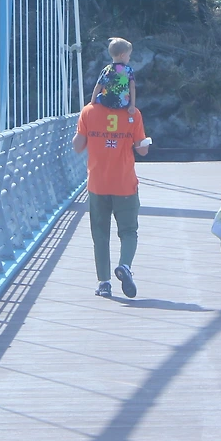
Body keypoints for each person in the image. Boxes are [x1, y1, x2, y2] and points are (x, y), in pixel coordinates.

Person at [73, 100, 150, 298]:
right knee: (128, 231)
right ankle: (124, 265)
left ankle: (104, 283)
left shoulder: (88, 112)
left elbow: (78, 146)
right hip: (125, 184)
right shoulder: (133, 113)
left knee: (100, 234)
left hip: (98, 184)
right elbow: (142, 150)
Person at [92, 37, 137, 115]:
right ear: (123, 55)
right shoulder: (128, 70)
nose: (129, 58)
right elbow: (132, 87)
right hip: (122, 103)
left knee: (100, 95)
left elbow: (98, 86)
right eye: (129, 55)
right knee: (125, 95)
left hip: (105, 102)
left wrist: (92, 102)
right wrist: (132, 105)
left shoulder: (106, 69)